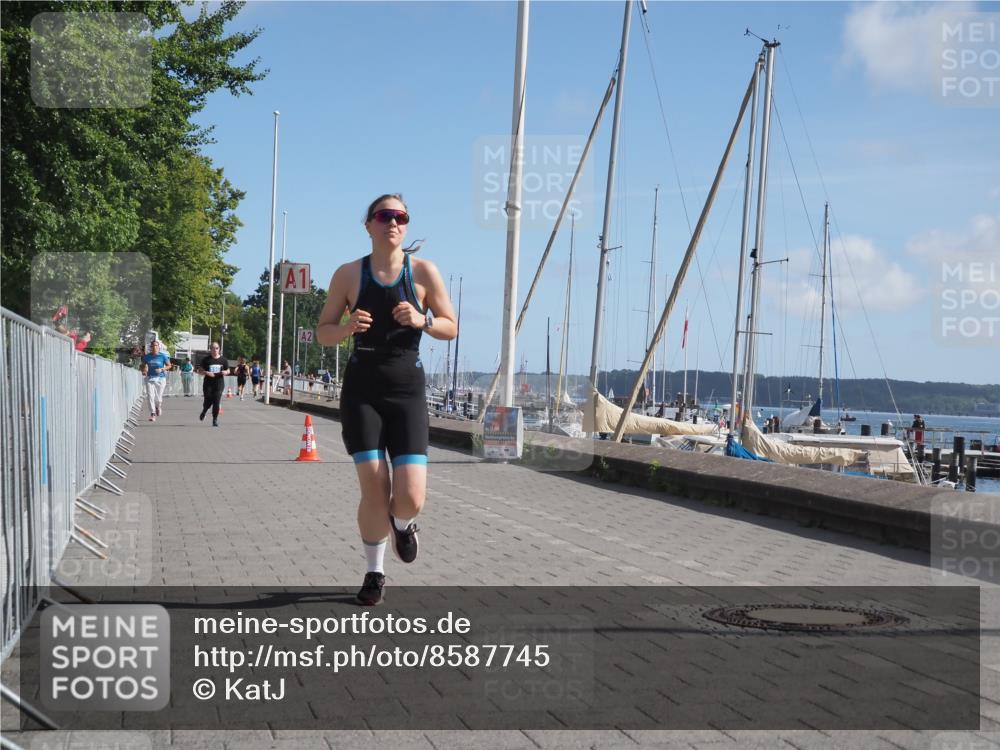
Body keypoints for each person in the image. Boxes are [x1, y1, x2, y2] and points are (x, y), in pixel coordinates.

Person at [316, 193, 457, 606]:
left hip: (406, 391)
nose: (392, 223)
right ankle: (375, 571)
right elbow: (323, 330)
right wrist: (345, 328)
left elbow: (451, 326)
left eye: (400, 217)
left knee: (411, 496)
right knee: (374, 490)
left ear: (405, 226)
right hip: (362, 389)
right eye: (384, 216)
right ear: (369, 224)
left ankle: (403, 523)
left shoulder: (424, 273)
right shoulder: (348, 274)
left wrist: (423, 320)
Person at [198, 342, 229, 427]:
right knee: (208, 400)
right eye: (213, 348)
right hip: (208, 383)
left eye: (217, 348)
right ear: (210, 349)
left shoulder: (223, 360)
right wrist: (206, 372)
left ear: (219, 349)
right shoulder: (206, 360)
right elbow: (199, 371)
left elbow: (228, 370)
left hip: (219, 383)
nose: (215, 350)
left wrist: (225, 372)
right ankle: (204, 411)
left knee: (216, 401)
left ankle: (215, 419)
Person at [141, 340, 172, 421]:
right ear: (151, 347)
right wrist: (144, 370)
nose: (154, 347)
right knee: (150, 396)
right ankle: (152, 413)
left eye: (156, 346)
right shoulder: (147, 357)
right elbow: (142, 365)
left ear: (159, 347)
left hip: (160, 378)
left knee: (158, 399)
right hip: (150, 378)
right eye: (153, 346)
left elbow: (169, 366)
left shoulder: (163, 356)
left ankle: (158, 406)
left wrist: (162, 369)